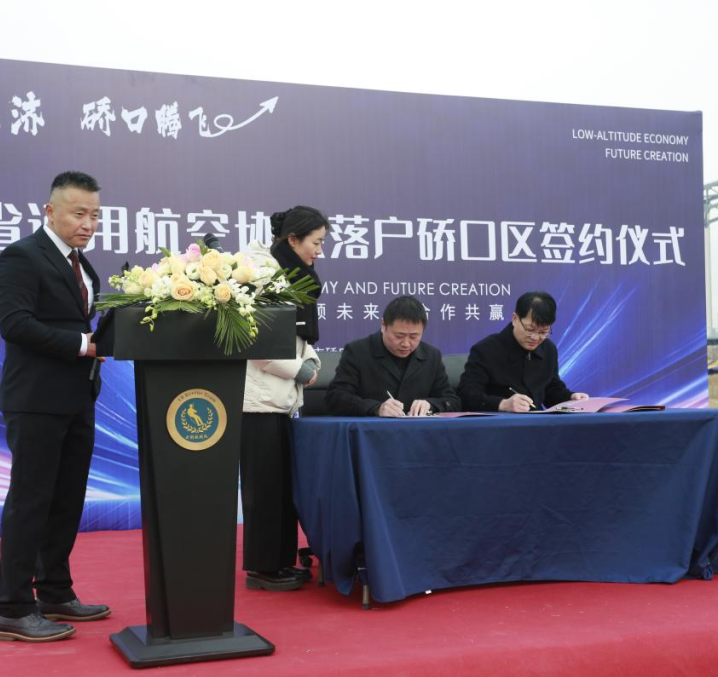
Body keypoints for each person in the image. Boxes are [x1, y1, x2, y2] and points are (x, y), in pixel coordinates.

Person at [0, 171, 110, 642]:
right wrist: (83, 345)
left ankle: (56, 592)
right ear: (50, 211)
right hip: (36, 400)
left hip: (78, 398)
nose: (88, 224)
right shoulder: (22, 256)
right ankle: (14, 608)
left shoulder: (83, 265)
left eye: (95, 215)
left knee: (66, 500)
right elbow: (15, 324)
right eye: (79, 213)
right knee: (31, 502)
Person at [239, 206, 328, 591]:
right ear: (293, 239)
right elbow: (253, 339)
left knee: (280, 488)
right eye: (315, 243)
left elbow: (298, 338)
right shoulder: (259, 272)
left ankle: (280, 562)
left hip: (280, 398)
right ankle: (263, 568)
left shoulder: (293, 274)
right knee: (263, 489)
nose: (319, 251)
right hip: (257, 399)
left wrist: (310, 362)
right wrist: (298, 369)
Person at [325, 295, 460, 417]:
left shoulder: (431, 356)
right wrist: (376, 408)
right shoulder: (358, 352)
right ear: (383, 325)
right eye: (399, 336)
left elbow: (453, 402)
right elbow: (335, 398)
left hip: (419, 432)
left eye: (414, 336)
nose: (406, 344)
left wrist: (431, 405)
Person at [457, 290, 588, 412]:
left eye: (543, 332)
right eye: (530, 330)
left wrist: (570, 398)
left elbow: (551, 390)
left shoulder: (548, 349)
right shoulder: (486, 349)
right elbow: (466, 394)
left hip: (538, 424)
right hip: (498, 424)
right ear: (515, 319)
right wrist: (502, 404)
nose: (535, 338)